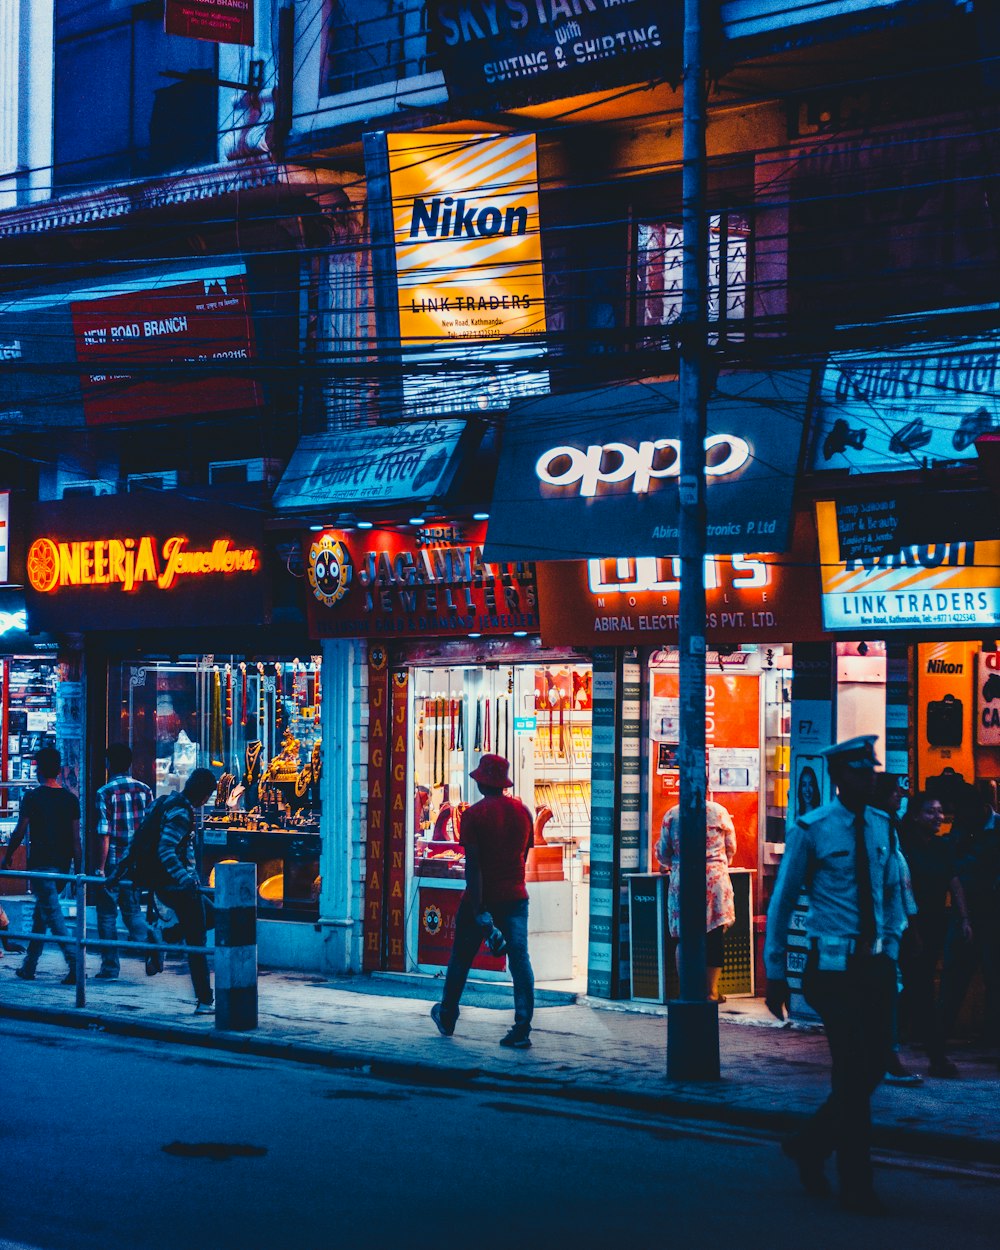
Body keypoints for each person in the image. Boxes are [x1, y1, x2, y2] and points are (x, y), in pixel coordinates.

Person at [765, 736, 906, 1215]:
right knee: (851, 1071)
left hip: (875, 966)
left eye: (873, 771)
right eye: (862, 772)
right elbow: (782, 901)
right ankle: (856, 1184)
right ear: (841, 777)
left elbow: (890, 896)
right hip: (833, 969)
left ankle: (810, 1143)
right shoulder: (813, 828)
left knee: (870, 1068)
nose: (872, 778)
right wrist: (776, 971)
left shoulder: (885, 827)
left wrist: (894, 953)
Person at [430, 753, 535, 1049]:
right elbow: (524, 856)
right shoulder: (523, 812)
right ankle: (522, 1026)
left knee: (461, 957)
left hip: (482, 897)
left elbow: (473, 867)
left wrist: (477, 910)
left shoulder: (474, 816)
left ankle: (448, 1014)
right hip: (515, 896)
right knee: (520, 960)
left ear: (481, 783)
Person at [0, 747, 82, 985]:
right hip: (62, 867)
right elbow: (76, 840)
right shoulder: (70, 799)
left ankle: (74, 963)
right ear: (58, 770)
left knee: (54, 918)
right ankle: (29, 966)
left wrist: (8, 856)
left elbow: (19, 831)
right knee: (41, 916)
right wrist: (78, 872)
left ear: (38, 769)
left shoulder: (33, 798)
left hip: (40, 865)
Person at [897, 791, 959, 1076]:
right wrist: (912, 929)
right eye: (931, 811)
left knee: (915, 988)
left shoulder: (941, 847)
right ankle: (934, 1055)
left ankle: (893, 1049)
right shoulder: (903, 845)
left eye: (940, 811)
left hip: (934, 924)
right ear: (915, 815)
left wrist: (965, 917)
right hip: (906, 926)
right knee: (918, 988)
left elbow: (953, 881)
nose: (938, 817)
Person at [147, 768, 218, 1013]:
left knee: (214, 916)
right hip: (179, 886)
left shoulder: (170, 802)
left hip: (176, 883)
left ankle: (164, 938)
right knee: (197, 942)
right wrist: (185, 878)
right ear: (203, 794)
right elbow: (166, 849)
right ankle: (205, 1000)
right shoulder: (181, 812)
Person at [937, 786, 1000, 1052]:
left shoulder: (994, 828)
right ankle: (938, 1038)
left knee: (994, 979)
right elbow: (953, 865)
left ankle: (991, 1037)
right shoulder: (964, 826)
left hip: (993, 915)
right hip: (966, 912)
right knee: (954, 977)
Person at [657, 793, 737, 1002]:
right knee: (713, 936)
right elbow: (731, 847)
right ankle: (711, 992)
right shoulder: (719, 812)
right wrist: (719, 861)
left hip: (683, 879)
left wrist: (669, 864)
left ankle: (687, 991)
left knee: (684, 936)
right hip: (715, 879)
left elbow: (663, 851)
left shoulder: (672, 815)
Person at [871, 773, 922, 1086]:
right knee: (887, 993)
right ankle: (887, 1057)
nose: (900, 797)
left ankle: (885, 1056)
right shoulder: (877, 828)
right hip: (882, 931)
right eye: (896, 793)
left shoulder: (890, 827)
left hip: (893, 927)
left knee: (890, 991)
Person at [93, 743, 155, 980]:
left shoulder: (105, 792)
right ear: (129, 764)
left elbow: (103, 833)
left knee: (107, 914)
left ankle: (110, 967)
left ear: (109, 764)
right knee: (132, 911)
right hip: (136, 863)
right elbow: (150, 831)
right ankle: (151, 944)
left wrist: (99, 869)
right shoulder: (145, 790)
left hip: (114, 863)